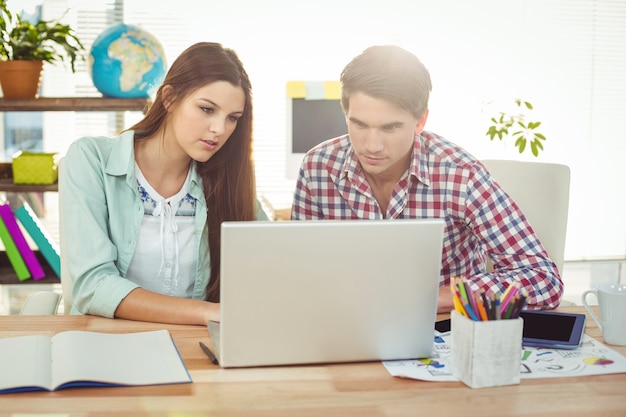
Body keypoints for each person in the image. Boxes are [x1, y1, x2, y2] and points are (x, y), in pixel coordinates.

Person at [291, 45, 563, 313]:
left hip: (442, 331)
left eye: (390, 127)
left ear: (420, 121)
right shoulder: (318, 168)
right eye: (359, 124)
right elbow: (299, 273)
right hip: (346, 322)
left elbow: (543, 279)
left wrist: (440, 297)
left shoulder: (460, 174)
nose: (372, 145)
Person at [61, 42, 267, 325]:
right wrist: (211, 313)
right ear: (169, 99)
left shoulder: (229, 184)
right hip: (104, 344)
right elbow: (92, 286)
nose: (220, 129)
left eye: (232, 118)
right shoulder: (90, 159)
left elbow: (273, 272)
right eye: (207, 109)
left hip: (194, 350)